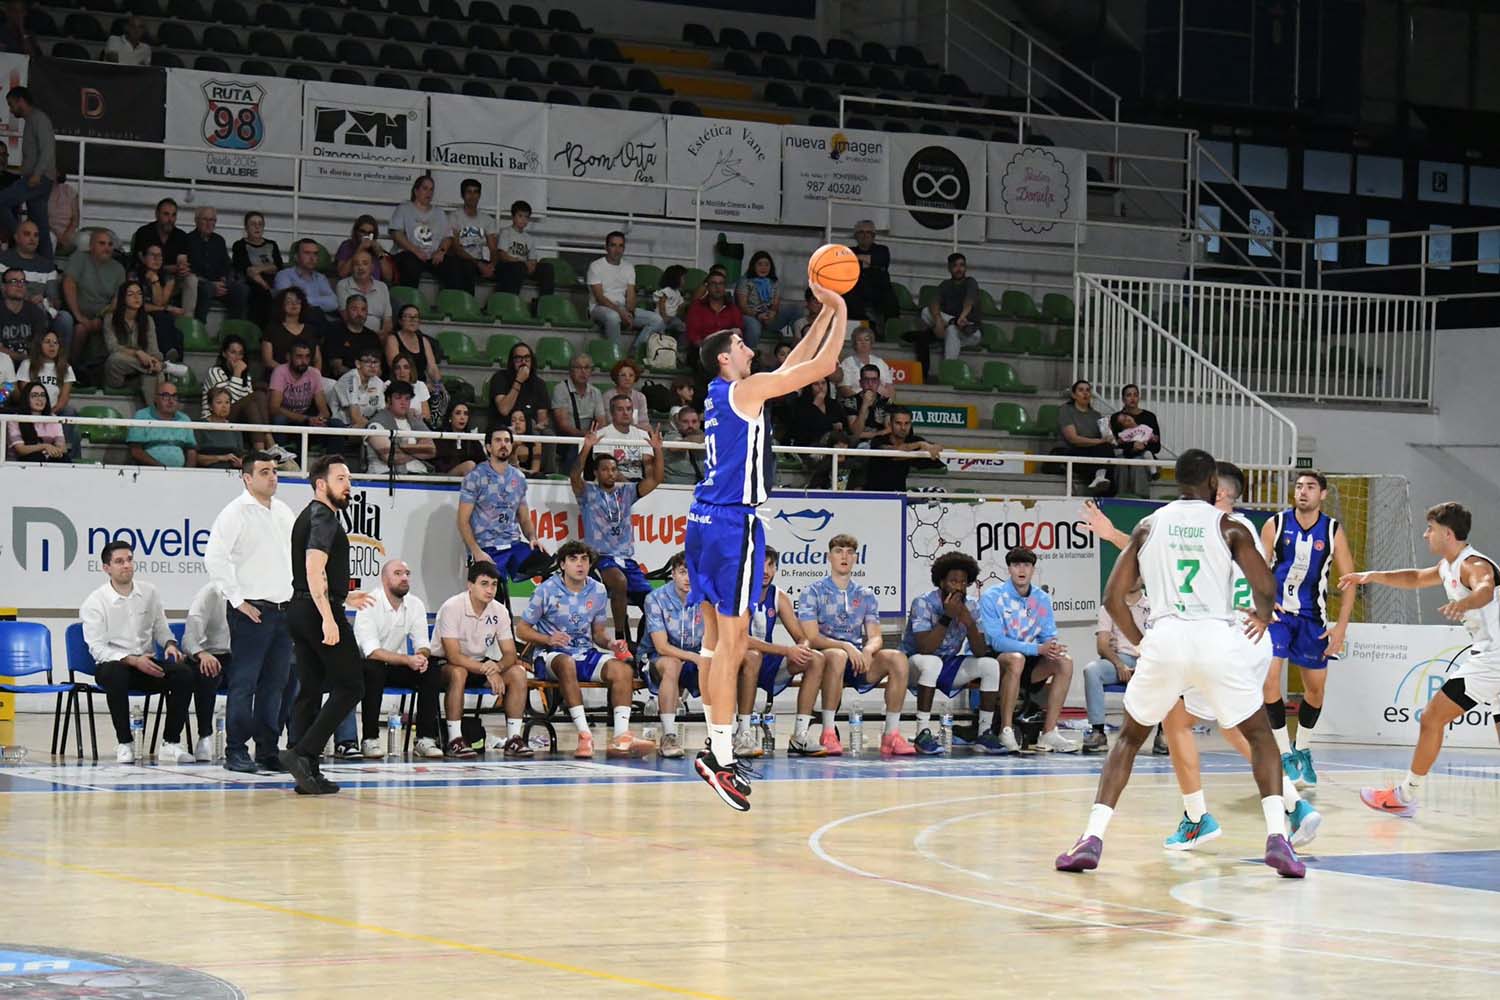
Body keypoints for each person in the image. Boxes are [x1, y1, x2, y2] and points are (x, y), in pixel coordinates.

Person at [1055, 449, 1306, 878]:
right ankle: (1278, 838)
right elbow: (1265, 584)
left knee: (1130, 739)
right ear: (1213, 485)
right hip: (1214, 638)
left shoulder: (1149, 525)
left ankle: (1092, 838)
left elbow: (1113, 599)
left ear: (1177, 482)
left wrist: (1143, 642)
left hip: (1166, 637)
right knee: (1261, 736)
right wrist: (1263, 617)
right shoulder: (1227, 525)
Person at [687, 284, 849, 809]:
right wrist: (843, 308)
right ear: (726, 357)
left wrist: (821, 313)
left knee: (714, 645)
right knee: (733, 647)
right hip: (735, 524)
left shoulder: (718, 393)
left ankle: (714, 747)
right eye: (743, 343)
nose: (752, 348)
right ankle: (722, 758)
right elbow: (821, 367)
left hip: (702, 520)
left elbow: (789, 368)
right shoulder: (745, 390)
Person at [1343, 503, 1492, 818]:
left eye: (1431, 530)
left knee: (1432, 717)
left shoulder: (1473, 564)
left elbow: (1485, 588)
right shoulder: (1447, 566)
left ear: (1447, 534)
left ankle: (1404, 795)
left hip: (1494, 658)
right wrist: (1371, 576)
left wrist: (1466, 602)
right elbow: (1413, 578)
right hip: (1491, 655)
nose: (1426, 535)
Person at [280, 455, 378, 794]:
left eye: (348, 479)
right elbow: (312, 568)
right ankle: (303, 753)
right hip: (315, 613)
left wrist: (343, 597)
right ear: (321, 485)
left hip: (300, 609)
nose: (348, 485)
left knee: (310, 689)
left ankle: (308, 774)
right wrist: (328, 616)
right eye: (340, 479)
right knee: (351, 686)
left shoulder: (310, 516)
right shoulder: (323, 518)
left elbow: (315, 574)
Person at [1261, 468, 1355, 792]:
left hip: (1313, 618)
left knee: (1315, 690)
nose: (1303, 491)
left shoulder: (1332, 530)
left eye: (1310, 487)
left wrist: (1341, 627)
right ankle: (1284, 753)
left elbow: (1350, 581)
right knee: (1268, 678)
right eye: (1299, 486)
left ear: (1322, 494)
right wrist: (1263, 602)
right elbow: (1257, 569)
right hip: (1277, 615)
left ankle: (1303, 748)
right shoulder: (1275, 524)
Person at [205, 451, 297, 774]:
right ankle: (236, 749)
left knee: (276, 684)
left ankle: (268, 749)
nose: (273, 477)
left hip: (283, 611)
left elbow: (295, 557)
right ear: (247, 478)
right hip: (252, 612)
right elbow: (214, 557)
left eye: (274, 471)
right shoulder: (235, 513)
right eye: (264, 472)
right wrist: (237, 600)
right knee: (244, 683)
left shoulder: (284, 511)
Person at [515, 540, 650, 758]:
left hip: (584, 652)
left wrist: (611, 644)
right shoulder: (546, 589)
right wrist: (548, 638)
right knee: (566, 663)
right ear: (562, 565)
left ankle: (621, 737)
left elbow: (597, 634)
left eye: (584, 559)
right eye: (573, 559)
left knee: (622, 670)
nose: (580, 564)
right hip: (549, 655)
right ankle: (584, 735)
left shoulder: (597, 590)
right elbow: (522, 629)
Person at [798, 533, 917, 756]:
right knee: (837, 655)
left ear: (856, 558)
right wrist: (847, 647)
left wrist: (869, 650)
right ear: (828, 557)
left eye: (850, 552)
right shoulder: (812, 592)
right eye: (838, 551)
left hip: (857, 661)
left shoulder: (866, 595)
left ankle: (891, 735)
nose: (844, 556)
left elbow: (875, 636)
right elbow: (813, 637)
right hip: (827, 660)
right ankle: (828, 732)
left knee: (897, 658)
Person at [79, 541, 195, 763]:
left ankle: (170, 743)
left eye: (130, 560)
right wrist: (131, 660)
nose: (126, 565)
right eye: (119, 561)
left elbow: (161, 627)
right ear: (107, 568)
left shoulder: (149, 592)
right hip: (114, 666)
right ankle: (125, 743)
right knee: (115, 672)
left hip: (146, 666)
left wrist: (170, 643)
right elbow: (97, 648)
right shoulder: (95, 602)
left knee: (184, 673)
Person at [978, 547, 1081, 752]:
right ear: (1009, 569)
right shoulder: (993, 596)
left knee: (1064, 661)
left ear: (1033, 569)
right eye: (1016, 565)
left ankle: (1049, 733)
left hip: (1032, 659)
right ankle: (1006, 730)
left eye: (1026, 565)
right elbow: (997, 641)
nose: (1021, 570)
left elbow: (1048, 633)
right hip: (999, 661)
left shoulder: (1041, 599)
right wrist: (1037, 648)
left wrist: (1052, 646)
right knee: (1016, 659)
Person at [904, 552, 1005, 755]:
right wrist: (947, 617)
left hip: (947, 663)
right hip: (913, 665)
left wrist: (969, 624)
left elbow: (980, 651)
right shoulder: (923, 603)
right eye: (953, 581)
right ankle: (922, 732)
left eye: (963, 582)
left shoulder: (972, 605)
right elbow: (925, 648)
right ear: (941, 582)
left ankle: (984, 733)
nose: (958, 586)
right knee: (931, 662)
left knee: (990, 665)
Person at [572, 423, 664, 640]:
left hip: (626, 560)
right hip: (600, 558)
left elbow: (655, 479)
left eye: (614, 469)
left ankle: (645, 647)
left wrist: (657, 450)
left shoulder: (627, 492)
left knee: (653, 603)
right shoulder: (588, 492)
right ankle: (622, 638)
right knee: (619, 582)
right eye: (605, 469)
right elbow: (575, 476)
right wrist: (586, 447)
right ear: (596, 472)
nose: (610, 473)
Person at [433, 561, 532, 759]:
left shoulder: (499, 611)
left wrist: (497, 666)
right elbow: (453, 655)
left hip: (478, 663)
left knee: (517, 673)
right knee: (458, 672)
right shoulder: (452, 607)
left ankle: (513, 739)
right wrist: (488, 670)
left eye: (494, 585)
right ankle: (455, 740)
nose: (490, 589)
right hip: (444, 664)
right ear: (470, 586)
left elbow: (510, 654)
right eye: (484, 584)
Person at [740, 546, 829, 757]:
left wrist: (802, 648)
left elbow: (802, 637)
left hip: (768, 663)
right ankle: (742, 734)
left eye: (770, 565)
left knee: (816, 659)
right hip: (739, 662)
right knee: (752, 656)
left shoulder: (778, 595)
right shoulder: (739, 594)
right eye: (760, 564)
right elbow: (741, 639)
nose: (765, 571)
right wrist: (786, 650)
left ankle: (800, 734)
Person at [354, 559, 445, 760]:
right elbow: (372, 651)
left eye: (407, 573)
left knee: (431, 670)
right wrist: (407, 659)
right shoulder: (369, 602)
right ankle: (369, 739)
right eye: (398, 573)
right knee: (374, 669)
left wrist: (421, 657)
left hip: (397, 666)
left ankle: (425, 739)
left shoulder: (415, 604)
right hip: (366, 667)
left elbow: (423, 643)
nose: (404, 578)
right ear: (384, 579)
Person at [457, 426, 551, 583]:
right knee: (493, 593)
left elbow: (524, 518)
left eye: (507, 441)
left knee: (550, 565)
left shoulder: (518, 478)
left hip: (513, 544)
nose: (503, 444)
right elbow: (462, 522)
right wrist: (476, 551)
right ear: (488, 447)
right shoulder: (475, 477)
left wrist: (532, 537)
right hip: (486, 547)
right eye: (498, 440)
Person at [638, 552, 707, 759]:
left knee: (726, 666)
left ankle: (727, 735)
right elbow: (661, 647)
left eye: (693, 573)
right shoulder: (655, 598)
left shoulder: (707, 599)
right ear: (674, 574)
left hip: (695, 656)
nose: (688, 578)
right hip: (654, 658)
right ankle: (668, 735)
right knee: (672, 663)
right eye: (683, 572)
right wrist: (696, 658)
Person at [1080, 577, 1151, 755]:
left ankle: (1163, 735)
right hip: (1123, 659)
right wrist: (1119, 665)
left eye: (1137, 573)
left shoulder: (1155, 606)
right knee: (1092, 671)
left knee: (1173, 670)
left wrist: (1146, 665)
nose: (1133, 577)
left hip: (1151, 661)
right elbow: (1102, 644)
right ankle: (1098, 732)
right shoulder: (1110, 607)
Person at [181, 582, 233, 763]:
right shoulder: (209, 594)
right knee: (207, 673)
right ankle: (205, 736)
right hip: (211, 654)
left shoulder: (255, 590)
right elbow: (188, 639)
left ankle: (266, 742)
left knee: (280, 671)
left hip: (242, 656)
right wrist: (202, 654)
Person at [0, 87, 55, 258]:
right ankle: (47, 266)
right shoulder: (33, 120)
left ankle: (21, 236)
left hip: (38, 178)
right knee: (41, 225)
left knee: (1, 201)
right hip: (37, 177)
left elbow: (47, 149)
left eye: (11, 104)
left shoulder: (39, 119)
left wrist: (37, 174)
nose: (10, 109)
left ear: (21, 101)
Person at [0, 220, 72, 349]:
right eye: (27, 234)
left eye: (36, 235)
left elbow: (55, 300)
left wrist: (45, 300)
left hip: (40, 310)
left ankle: (59, 364)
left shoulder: (47, 265)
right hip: (10, 309)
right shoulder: (3, 259)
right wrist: (27, 299)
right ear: (16, 237)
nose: (32, 238)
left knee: (65, 318)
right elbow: (2, 290)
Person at [587, 230, 662, 345]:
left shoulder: (628, 267)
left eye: (621, 246)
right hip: (599, 308)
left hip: (622, 308)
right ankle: (615, 356)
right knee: (613, 317)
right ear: (606, 247)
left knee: (657, 320)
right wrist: (621, 312)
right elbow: (600, 298)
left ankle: (635, 351)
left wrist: (630, 313)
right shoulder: (595, 266)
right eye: (613, 245)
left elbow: (631, 294)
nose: (617, 250)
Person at [62, 229, 126, 365]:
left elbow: (118, 299)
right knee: (80, 329)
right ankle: (72, 369)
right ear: (91, 246)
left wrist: (102, 317)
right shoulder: (79, 258)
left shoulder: (119, 269)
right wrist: (79, 316)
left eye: (110, 244)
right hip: (77, 313)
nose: (107, 248)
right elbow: (69, 284)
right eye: (102, 243)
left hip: (105, 316)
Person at [389, 175, 462, 290]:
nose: (429, 192)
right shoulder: (404, 209)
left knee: (453, 265)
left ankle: (451, 303)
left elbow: (448, 237)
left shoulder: (439, 213)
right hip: (410, 253)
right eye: (425, 188)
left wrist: (441, 251)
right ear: (416, 191)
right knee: (410, 264)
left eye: (431, 189)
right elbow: (396, 233)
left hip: (432, 256)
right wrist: (415, 250)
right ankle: (410, 303)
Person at [201, 334, 272, 449]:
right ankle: (269, 443)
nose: (237, 357)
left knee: (253, 403)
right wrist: (237, 373)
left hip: (236, 417)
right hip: (215, 416)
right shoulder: (215, 371)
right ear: (224, 354)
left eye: (240, 353)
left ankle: (262, 450)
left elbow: (245, 401)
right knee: (257, 396)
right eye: (233, 352)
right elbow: (227, 400)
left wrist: (240, 374)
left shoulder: (245, 375)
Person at [917, 252, 982, 376]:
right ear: (949, 268)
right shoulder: (945, 284)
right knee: (926, 312)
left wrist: (962, 317)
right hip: (952, 324)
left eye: (962, 265)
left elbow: (969, 301)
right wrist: (938, 320)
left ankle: (948, 372)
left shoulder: (970, 282)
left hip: (970, 329)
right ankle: (950, 326)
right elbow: (934, 302)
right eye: (955, 266)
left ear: (966, 267)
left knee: (952, 330)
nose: (959, 269)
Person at [385, 303, 446, 425]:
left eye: (415, 317)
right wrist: (421, 385)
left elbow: (432, 367)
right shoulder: (393, 339)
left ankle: (435, 427)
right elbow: (396, 366)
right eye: (408, 316)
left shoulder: (423, 340)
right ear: (401, 320)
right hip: (401, 381)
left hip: (421, 384)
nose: (413, 320)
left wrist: (438, 384)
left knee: (442, 394)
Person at [185, 205, 249, 323]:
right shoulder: (187, 240)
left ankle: (233, 330)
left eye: (212, 220)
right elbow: (188, 271)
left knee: (241, 289)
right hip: (200, 284)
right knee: (206, 289)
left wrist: (224, 281)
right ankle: (199, 329)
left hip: (219, 284)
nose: (209, 223)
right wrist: (211, 284)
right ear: (196, 221)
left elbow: (226, 265)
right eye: (205, 219)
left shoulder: (219, 240)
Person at [17, 330, 76, 455]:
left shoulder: (66, 368)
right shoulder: (27, 365)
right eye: (47, 342)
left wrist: (49, 412)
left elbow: (64, 398)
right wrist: (39, 412)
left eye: (55, 343)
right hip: (32, 410)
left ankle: (66, 451)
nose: (52, 346)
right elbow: (26, 393)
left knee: (70, 411)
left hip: (54, 410)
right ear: (39, 345)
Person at [365, 380, 436, 476]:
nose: (403, 402)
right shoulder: (376, 423)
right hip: (385, 477)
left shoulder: (415, 421)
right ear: (389, 400)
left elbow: (432, 450)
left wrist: (403, 448)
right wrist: (419, 450)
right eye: (398, 398)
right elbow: (391, 457)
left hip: (420, 474)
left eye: (407, 398)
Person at [863, 407, 942, 492]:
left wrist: (934, 447)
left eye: (907, 423)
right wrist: (920, 445)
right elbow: (897, 453)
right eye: (898, 423)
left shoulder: (913, 439)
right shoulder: (878, 440)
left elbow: (937, 447)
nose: (903, 427)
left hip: (899, 495)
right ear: (890, 425)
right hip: (873, 495)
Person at [1058, 378, 1114, 495]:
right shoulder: (1066, 410)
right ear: (1073, 395)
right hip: (1073, 451)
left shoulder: (1096, 415)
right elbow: (1073, 439)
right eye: (1081, 390)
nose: (1085, 393)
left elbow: (1105, 438)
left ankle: (1101, 479)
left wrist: (1108, 434)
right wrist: (1099, 441)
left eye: (1088, 390)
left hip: (1093, 452)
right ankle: (1099, 480)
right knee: (1100, 453)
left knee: (1108, 449)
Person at [735, 251, 802, 348]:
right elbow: (742, 306)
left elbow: (775, 303)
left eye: (767, 265)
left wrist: (772, 312)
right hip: (751, 315)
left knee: (795, 309)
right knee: (754, 328)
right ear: (753, 266)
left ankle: (798, 345)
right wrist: (758, 315)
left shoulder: (774, 282)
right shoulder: (745, 281)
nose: (763, 268)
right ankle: (750, 355)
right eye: (760, 264)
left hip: (768, 316)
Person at [131, 243, 185, 363]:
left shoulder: (168, 278)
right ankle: (167, 355)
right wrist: (166, 308)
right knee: (163, 318)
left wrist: (155, 281)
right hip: (138, 315)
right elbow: (137, 305)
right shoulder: (134, 276)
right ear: (143, 258)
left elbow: (159, 302)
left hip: (159, 315)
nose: (156, 259)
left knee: (179, 334)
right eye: (152, 255)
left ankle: (176, 366)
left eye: (159, 256)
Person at [492, 199, 554, 303]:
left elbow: (533, 259)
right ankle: (510, 301)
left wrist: (532, 266)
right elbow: (502, 255)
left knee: (547, 268)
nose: (523, 220)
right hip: (508, 266)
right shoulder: (506, 232)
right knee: (518, 267)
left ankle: (544, 303)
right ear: (513, 217)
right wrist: (522, 262)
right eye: (520, 216)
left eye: (526, 217)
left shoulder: (529, 238)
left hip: (523, 267)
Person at [549, 353, 604, 467]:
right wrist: (584, 436)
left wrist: (594, 435)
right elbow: (563, 425)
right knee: (577, 447)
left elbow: (601, 421)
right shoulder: (560, 389)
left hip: (590, 437)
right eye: (578, 367)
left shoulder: (595, 392)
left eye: (587, 368)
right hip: (569, 439)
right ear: (570, 371)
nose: (583, 371)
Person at [127, 381, 196, 468]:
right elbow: (135, 450)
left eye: (174, 396)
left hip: (179, 474)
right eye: (165, 396)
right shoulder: (142, 415)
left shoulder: (184, 419)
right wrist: (162, 468)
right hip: (149, 471)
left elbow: (191, 451)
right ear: (155, 398)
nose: (171, 401)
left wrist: (188, 473)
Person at [446, 177, 497, 295]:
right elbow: (456, 248)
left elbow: (493, 249)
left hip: (477, 261)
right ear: (462, 195)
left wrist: (492, 265)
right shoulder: (454, 217)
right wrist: (479, 264)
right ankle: (468, 306)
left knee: (508, 269)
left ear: (479, 195)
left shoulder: (487, 219)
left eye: (476, 192)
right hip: (460, 260)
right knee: (466, 267)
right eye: (469, 192)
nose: (472, 196)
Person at [269, 339, 332, 433]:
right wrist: (305, 418)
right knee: (279, 420)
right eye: (299, 356)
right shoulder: (280, 371)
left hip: (308, 418)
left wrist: (318, 420)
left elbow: (324, 411)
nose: (304, 361)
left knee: (336, 424)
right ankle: (279, 448)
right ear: (288, 357)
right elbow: (274, 408)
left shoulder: (314, 373)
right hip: (288, 417)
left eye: (307, 357)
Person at [271, 239, 339, 328]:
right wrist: (320, 301)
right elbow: (287, 302)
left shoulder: (321, 278)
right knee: (315, 314)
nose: (312, 258)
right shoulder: (284, 275)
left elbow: (333, 303)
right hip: (294, 322)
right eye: (307, 253)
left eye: (315, 253)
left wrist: (303, 300)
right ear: (296, 257)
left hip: (319, 321)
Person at [232, 211, 283, 327]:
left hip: (274, 282)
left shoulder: (272, 244)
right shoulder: (239, 245)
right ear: (246, 227)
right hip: (253, 283)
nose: (257, 227)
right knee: (262, 295)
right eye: (253, 224)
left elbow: (278, 266)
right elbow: (248, 270)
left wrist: (259, 268)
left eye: (260, 224)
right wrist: (266, 285)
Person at [128, 199, 191, 291]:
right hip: (147, 275)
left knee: (191, 279)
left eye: (173, 215)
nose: (170, 219)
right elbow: (143, 263)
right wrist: (168, 268)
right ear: (157, 214)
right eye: (166, 214)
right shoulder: (144, 232)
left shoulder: (181, 236)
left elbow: (182, 260)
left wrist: (182, 267)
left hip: (172, 278)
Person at [589, 394, 653, 482]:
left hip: (638, 483)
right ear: (612, 413)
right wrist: (629, 487)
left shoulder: (643, 435)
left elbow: (648, 466)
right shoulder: (601, 434)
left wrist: (648, 485)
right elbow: (605, 467)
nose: (625, 413)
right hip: (610, 482)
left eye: (629, 409)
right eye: (620, 409)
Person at [845, 220, 896, 328]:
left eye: (868, 232)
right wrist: (871, 262)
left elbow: (881, 260)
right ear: (856, 236)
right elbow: (847, 267)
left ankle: (890, 331)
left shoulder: (882, 250)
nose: (865, 235)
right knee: (847, 295)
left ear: (873, 236)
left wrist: (858, 260)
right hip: (857, 290)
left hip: (879, 290)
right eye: (861, 232)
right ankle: (865, 327)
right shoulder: (849, 251)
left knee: (890, 298)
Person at [488, 340, 550, 428]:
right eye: (518, 359)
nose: (523, 362)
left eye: (527, 359)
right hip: (503, 430)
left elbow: (542, 418)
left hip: (529, 433)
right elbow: (504, 410)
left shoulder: (539, 384)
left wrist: (539, 426)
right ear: (512, 362)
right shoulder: (500, 378)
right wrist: (519, 380)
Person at [262, 286, 321, 376]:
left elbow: (317, 359)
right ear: (281, 305)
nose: (294, 304)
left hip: (308, 378)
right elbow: (268, 361)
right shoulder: (272, 329)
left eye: (297, 301)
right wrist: (291, 374)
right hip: (280, 377)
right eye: (289, 301)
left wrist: (314, 377)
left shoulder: (310, 329)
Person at [333, 251, 393, 338]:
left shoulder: (382, 287)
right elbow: (346, 317)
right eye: (356, 264)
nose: (360, 267)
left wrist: (383, 335)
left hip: (379, 336)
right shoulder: (343, 285)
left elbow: (388, 321)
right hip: (353, 334)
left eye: (365, 263)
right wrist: (369, 336)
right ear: (352, 268)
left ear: (372, 267)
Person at [322, 294, 383, 379]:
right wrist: (361, 376)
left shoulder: (372, 337)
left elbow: (379, 369)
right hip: (343, 382)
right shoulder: (335, 332)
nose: (359, 313)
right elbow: (337, 367)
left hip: (370, 383)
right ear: (346, 311)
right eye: (354, 309)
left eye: (363, 309)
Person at [5, 380, 65, 462]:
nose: (40, 399)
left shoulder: (53, 418)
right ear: (26, 398)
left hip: (47, 457)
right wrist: (45, 446)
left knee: (62, 458)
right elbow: (21, 449)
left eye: (43, 395)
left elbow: (62, 447)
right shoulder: (15, 419)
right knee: (36, 457)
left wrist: (53, 451)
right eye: (34, 395)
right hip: (20, 462)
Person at [0, 265, 48, 369]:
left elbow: (40, 343)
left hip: (29, 366)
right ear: (3, 287)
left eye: (22, 281)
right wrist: (23, 358)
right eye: (14, 281)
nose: (19, 285)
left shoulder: (35, 312)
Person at [683, 269, 742, 351]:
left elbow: (738, 332)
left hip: (726, 350)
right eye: (713, 283)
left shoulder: (732, 308)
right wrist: (708, 349)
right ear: (707, 287)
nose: (717, 287)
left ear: (725, 287)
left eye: (721, 284)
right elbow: (693, 336)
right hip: (702, 350)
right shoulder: (697, 307)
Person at [328, 347, 386, 429]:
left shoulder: (378, 382)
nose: (372, 366)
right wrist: (375, 426)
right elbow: (355, 417)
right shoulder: (350, 379)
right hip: (341, 426)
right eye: (367, 362)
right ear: (358, 364)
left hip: (364, 424)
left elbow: (382, 411)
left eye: (375, 362)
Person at [834, 326, 894, 401]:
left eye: (867, 340)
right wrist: (863, 400)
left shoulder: (880, 362)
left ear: (871, 342)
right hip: (855, 403)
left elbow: (890, 389)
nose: (863, 343)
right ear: (854, 343)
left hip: (878, 403)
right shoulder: (847, 362)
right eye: (859, 340)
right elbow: (844, 389)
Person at [334, 214, 396, 285]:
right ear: (356, 231)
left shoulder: (376, 248)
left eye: (370, 233)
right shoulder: (347, 246)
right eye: (362, 231)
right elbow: (342, 273)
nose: (366, 235)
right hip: (352, 288)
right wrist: (360, 249)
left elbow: (388, 278)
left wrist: (380, 254)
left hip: (374, 288)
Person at [195, 387, 246, 469]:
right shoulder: (200, 426)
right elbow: (195, 457)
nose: (224, 406)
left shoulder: (234, 428)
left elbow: (242, 455)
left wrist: (240, 462)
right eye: (219, 402)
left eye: (227, 402)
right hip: (207, 473)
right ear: (210, 406)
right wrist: (221, 458)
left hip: (233, 473)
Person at [844, 363, 893, 444]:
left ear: (878, 382)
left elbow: (889, 430)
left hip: (879, 444)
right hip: (856, 445)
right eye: (866, 380)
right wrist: (864, 405)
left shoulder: (886, 402)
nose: (870, 384)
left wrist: (867, 435)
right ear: (860, 382)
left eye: (874, 380)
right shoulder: (851, 401)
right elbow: (856, 433)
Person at [1108, 411, 1153, 498]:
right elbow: (1118, 446)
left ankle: (1141, 497)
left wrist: (1143, 445)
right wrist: (1132, 447)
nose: (1127, 420)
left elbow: (1156, 445)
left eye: (1126, 416)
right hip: (1127, 455)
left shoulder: (1146, 424)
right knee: (1121, 461)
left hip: (1143, 454)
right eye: (1123, 421)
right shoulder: (1124, 435)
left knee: (1138, 461)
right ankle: (1121, 496)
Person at [434, 400, 485, 477]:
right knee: (469, 465)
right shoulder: (440, 436)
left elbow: (482, 463)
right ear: (450, 417)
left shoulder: (473, 440)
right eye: (458, 413)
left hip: (469, 477)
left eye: (466, 414)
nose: (462, 417)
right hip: (444, 477)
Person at [661, 402, 703, 485]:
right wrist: (693, 439)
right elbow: (674, 447)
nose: (690, 425)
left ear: (699, 423)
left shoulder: (703, 435)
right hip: (677, 486)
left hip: (702, 485)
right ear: (678, 423)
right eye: (685, 422)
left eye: (694, 422)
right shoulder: (671, 435)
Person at [649, 264, 688, 347]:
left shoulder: (677, 293)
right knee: (660, 331)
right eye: (683, 278)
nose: (685, 281)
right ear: (675, 278)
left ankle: (679, 347)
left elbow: (680, 305)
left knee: (683, 327)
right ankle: (660, 346)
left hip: (672, 318)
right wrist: (664, 316)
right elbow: (661, 304)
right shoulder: (667, 290)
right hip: (662, 317)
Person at [608, 358, 651, 429]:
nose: (627, 378)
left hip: (637, 436)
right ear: (616, 377)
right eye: (623, 375)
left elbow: (645, 424)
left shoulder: (640, 397)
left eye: (631, 375)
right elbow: (610, 422)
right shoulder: (608, 396)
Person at [389, 354, 431, 423]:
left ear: (411, 370)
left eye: (406, 367)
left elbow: (427, 416)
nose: (402, 371)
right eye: (397, 368)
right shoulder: (388, 385)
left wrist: (416, 415)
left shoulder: (420, 386)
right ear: (394, 371)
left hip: (416, 426)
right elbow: (386, 412)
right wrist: (408, 413)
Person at [505, 408, 542, 478]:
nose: (517, 423)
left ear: (527, 423)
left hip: (529, 478)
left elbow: (535, 470)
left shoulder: (536, 444)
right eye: (513, 420)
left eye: (521, 420)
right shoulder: (505, 442)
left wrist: (523, 471)